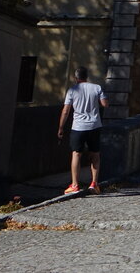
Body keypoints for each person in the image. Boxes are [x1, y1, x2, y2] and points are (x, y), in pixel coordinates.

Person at [57, 66, 108, 194]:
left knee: (76, 154)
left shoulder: (72, 90)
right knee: (95, 154)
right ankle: (94, 184)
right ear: (87, 76)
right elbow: (105, 104)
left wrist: (61, 127)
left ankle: (75, 184)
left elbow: (66, 111)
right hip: (94, 125)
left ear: (76, 78)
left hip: (78, 126)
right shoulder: (97, 88)